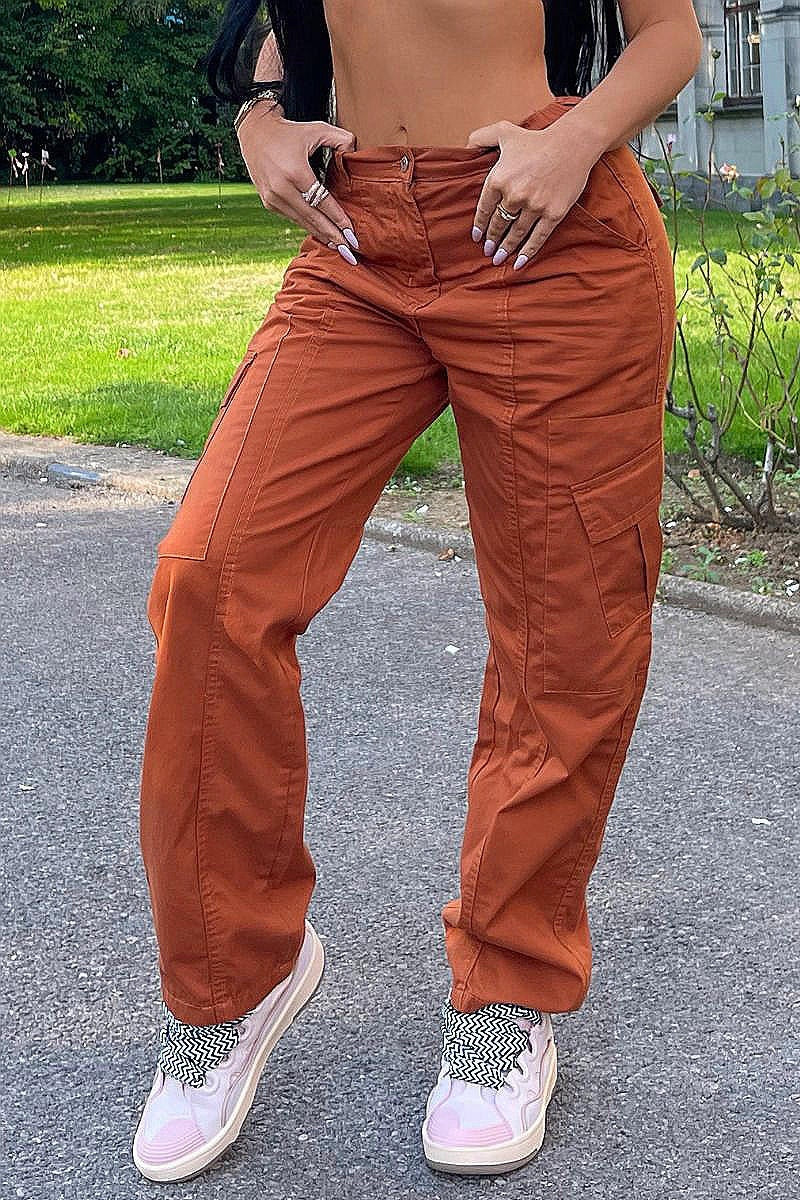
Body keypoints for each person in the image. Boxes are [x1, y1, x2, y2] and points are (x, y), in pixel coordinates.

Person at [131, 0, 702, 1183]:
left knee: (565, 635)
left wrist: (574, 140)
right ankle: (231, 980)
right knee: (209, 576)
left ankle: (507, 994)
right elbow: (290, 21)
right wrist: (258, 119)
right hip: (358, 243)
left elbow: (671, 35)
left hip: (544, 230)